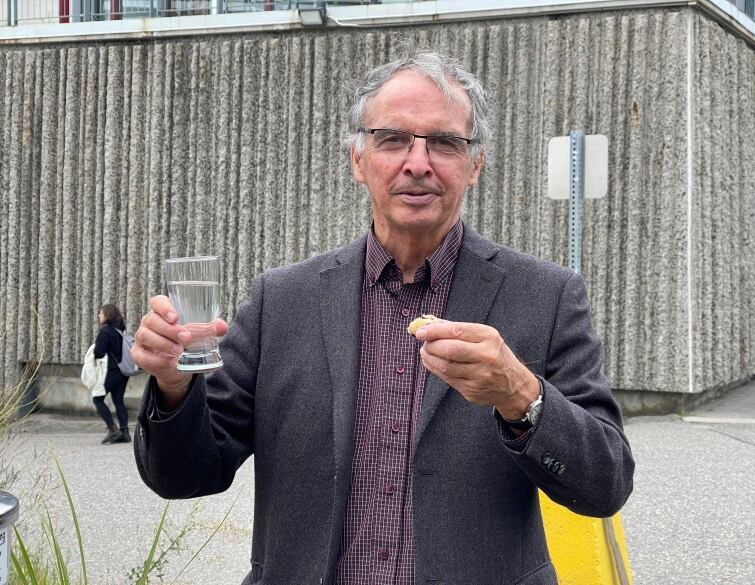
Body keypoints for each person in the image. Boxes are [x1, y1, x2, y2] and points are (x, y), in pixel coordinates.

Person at [132, 48, 634, 584]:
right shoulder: (282, 302)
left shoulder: (546, 296)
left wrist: (520, 395)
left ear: (475, 165)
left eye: (444, 142)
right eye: (393, 139)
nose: (417, 163)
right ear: (358, 159)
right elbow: (185, 476)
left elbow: (604, 484)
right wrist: (173, 386)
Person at [93, 303, 132, 444]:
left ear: (107, 315)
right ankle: (125, 432)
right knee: (118, 400)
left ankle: (112, 429)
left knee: (97, 398)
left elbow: (99, 352)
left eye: (101, 313)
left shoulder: (105, 331)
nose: (99, 315)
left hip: (111, 371)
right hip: (123, 372)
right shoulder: (120, 331)